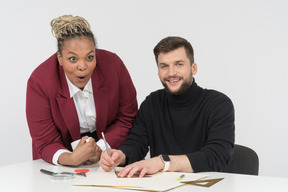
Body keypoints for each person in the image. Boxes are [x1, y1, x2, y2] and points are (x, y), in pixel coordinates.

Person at [99, 36, 235, 178]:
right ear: (158, 71)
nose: (171, 73)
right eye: (164, 66)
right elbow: (136, 143)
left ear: (193, 68)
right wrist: (122, 155)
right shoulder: (152, 103)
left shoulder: (218, 104)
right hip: (165, 186)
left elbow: (217, 156)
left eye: (179, 64)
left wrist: (163, 162)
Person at [26, 15, 138, 166]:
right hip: (62, 154)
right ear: (60, 58)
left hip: (110, 152)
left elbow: (127, 118)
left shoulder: (114, 66)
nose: (83, 66)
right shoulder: (40, 82)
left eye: (90, 57)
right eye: (73, 59)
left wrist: (100, 148)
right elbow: (46, 142)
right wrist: (71, 159)